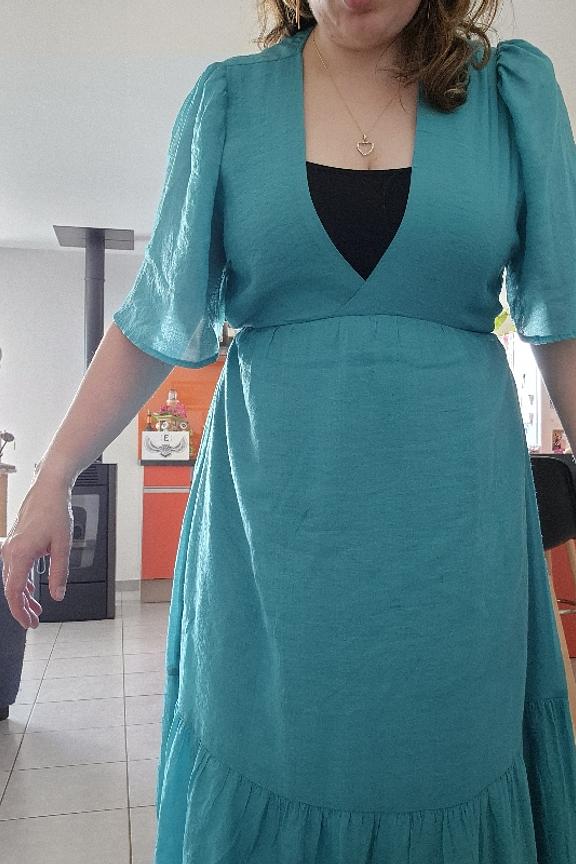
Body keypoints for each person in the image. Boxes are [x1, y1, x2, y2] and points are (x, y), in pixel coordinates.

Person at [2, 0, 576, 861]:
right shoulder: (229, 102)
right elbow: (155, 319)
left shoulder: (512, 96)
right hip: (271, 542)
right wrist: (53, 476)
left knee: (444, 763)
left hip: (455, 546)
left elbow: (563, 324)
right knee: (269, 757)